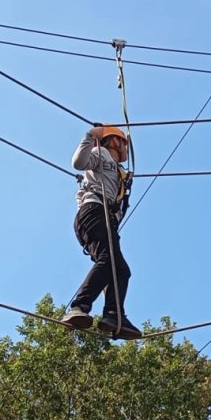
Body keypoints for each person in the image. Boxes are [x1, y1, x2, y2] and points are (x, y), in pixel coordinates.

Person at [62, 126, 140, 340]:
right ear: (113, 141)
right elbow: (78, 163)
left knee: (121, 270)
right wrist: (90, 136)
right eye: (123, 142)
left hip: (105, 217)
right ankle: (80, 306)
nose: (125, 147)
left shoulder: (118, 170)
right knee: (109, 260)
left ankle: (114, 315)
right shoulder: (101, 153)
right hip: (94, 211)